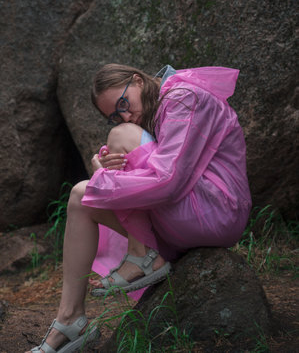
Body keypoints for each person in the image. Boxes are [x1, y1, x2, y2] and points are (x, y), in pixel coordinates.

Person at [28, 64, 251, 353]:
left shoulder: (183, 97)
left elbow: (168, 180)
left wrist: (106, 179)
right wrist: (113, 170)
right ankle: (70, 319)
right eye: (114, 115)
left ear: (137, 80)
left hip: (217, 211)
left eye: (124, 104)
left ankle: (141, 254)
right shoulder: (163, 106)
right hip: (193, 212)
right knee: (80, 197)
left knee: (122, 137)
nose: (125, 114)